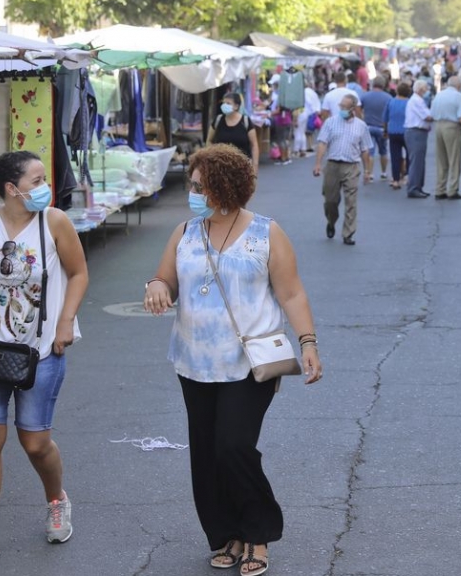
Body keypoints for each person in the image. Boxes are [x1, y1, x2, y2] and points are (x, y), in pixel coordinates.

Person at [144, 144, 323, 576]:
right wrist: (156, 287)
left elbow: (292, 292)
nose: (192, 191)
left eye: (199, 185)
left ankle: (258, 532)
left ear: (224, 188)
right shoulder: (186, 232)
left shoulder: (266, 233)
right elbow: (163, 276)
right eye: (192, 184)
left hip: (249, 362)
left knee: (234, 447)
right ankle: (228, 534)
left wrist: (308, 342)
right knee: (206, 454)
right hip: (194, 361)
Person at [0, 150, 89, 573]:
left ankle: (56, 500)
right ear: (12, 189)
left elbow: (79, 272)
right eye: (37, 180)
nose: (45, 186)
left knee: (35, 443)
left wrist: (66, 321)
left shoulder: (55, 222)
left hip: (42, 349)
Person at [313, 94, 375, 245]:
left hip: (351, 166)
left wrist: (367, 171)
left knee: (351, 201)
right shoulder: (331, 122)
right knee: (330, 201)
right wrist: (318, 164)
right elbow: (322, 143)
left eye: (345, 107)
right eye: (340, 106)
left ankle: (348, 233)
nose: (341, 109)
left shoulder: (361, 126)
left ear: (353, 109)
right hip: (333, 165)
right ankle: (331, 221)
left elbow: (365, 150)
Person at [430, 75, 461, 200]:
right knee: (454, 159)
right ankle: (452, 189)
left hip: (439, 126)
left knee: (441, 159)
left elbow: (432, 114)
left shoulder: (439, 95)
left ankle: (439, 188)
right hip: (452, 127)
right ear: (458, 85)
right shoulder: (459, 97)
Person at [207, 92, 260, 172]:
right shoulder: (218, 120)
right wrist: (212, 156)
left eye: (228, 103)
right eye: (223, 103)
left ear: (236, 106)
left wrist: (255, 166)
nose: (224, 105)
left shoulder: (245, 121)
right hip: (220, 168)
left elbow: (254, 145)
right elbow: (209, 140)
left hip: (242, 168)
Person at [360, 76, 393, 184]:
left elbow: (360, 109)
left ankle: (370, 173)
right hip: (382, 127)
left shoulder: (365, 96)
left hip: (368, 126)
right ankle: (383, 172)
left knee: (370, 151)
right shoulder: (388, 97)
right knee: (383, 151)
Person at [383, 82, 411, 190]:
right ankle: (408, 176)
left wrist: (385, 131)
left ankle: (395, 180)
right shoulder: (409, 103)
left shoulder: (390, 102)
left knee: (395, 156)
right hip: (407, 131)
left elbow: (385, 119)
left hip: (393, 131)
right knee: (410, 154)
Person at [294, 83, 321, 158]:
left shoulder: (301, 93)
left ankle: (297, 149)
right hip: (308, 113)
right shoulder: (312, 92)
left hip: (302, 113)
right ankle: (304, 148)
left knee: (298, 132)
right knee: (303, 132)